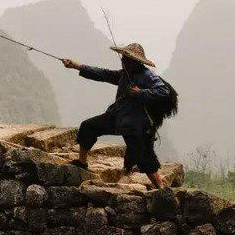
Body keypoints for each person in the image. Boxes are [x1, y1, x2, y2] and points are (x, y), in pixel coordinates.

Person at [61, 42, 170, 190]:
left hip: (135, 123)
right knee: (88, 126)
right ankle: (82, 162)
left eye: (126, 58)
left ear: (135, 61)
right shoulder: (124, 74)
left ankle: (160, 186)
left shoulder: (147, 76)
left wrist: (141, 93)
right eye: (123, 57)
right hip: (116, 116)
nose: (123, 60)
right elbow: (103, 74)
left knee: (142, 154)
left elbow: (164, 91)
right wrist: (76, 66)